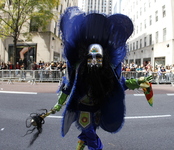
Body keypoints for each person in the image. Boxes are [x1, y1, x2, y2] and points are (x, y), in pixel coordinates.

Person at [26, 7, 153, 150]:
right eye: (91, 57)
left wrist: (137, 82)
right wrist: (58, 104)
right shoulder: (78, 70)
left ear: (103, 58)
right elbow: (67, 86)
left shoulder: (107, 72)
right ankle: (87, 145)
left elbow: (118, 85)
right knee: (88, 132)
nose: (94, 60)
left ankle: (83, 143)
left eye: (97, 57)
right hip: (82, 110)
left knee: (89, 131)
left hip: (98, 109)